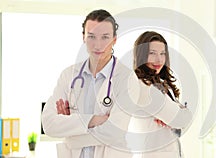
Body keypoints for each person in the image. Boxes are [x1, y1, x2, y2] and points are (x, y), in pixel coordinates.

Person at [42, 9, 192, 158]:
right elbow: (48, 124)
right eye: (92, 36)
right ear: (83, 37)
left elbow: (114, 133)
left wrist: (70, 131)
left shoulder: (128, 79)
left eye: (162, 53)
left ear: (114, 39)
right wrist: (94, 120)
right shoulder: (69, 75)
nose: (98, 45)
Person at [128, 31, 188, 158]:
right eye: (152, 53)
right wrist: (182, 113)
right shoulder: (145, 88)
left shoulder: (160, 83)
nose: (159, 59)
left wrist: (177, 119)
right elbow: (181, 119)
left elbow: (180, 123)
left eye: (162, 54)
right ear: (141, 56)